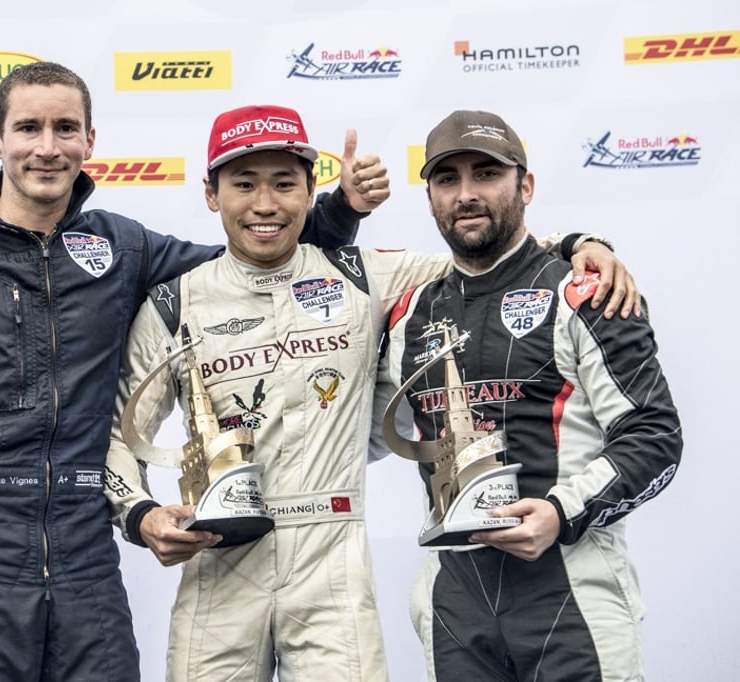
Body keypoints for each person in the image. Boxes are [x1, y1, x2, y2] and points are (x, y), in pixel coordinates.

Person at [0, 62, 392, 681]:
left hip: (86, 565)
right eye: (28, 128)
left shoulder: (123, 248)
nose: (47, 147)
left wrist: (340, 209)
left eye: (65, 128)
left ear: (90, 141)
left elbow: (249, 255)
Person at [103, 104, 636, 681]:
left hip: (331, 572)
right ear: (211, 193)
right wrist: (140, 514)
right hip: (218, 567)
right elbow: (117, 435)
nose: (264, 204)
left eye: (284, 183)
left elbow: (490, 257)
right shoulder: (172, 302)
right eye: (243, 184)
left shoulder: (364, 274)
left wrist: (582, 244)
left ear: (311, 192)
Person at [374, 110, 683, 681]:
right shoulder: (407, 312)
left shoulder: (586, 291)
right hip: (455, 602)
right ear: (430, 197)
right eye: (448, 179)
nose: (466, 194)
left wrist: (562, 512)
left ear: (526, 185)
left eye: (486, 174)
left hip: (570, 589)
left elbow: (655, 435)